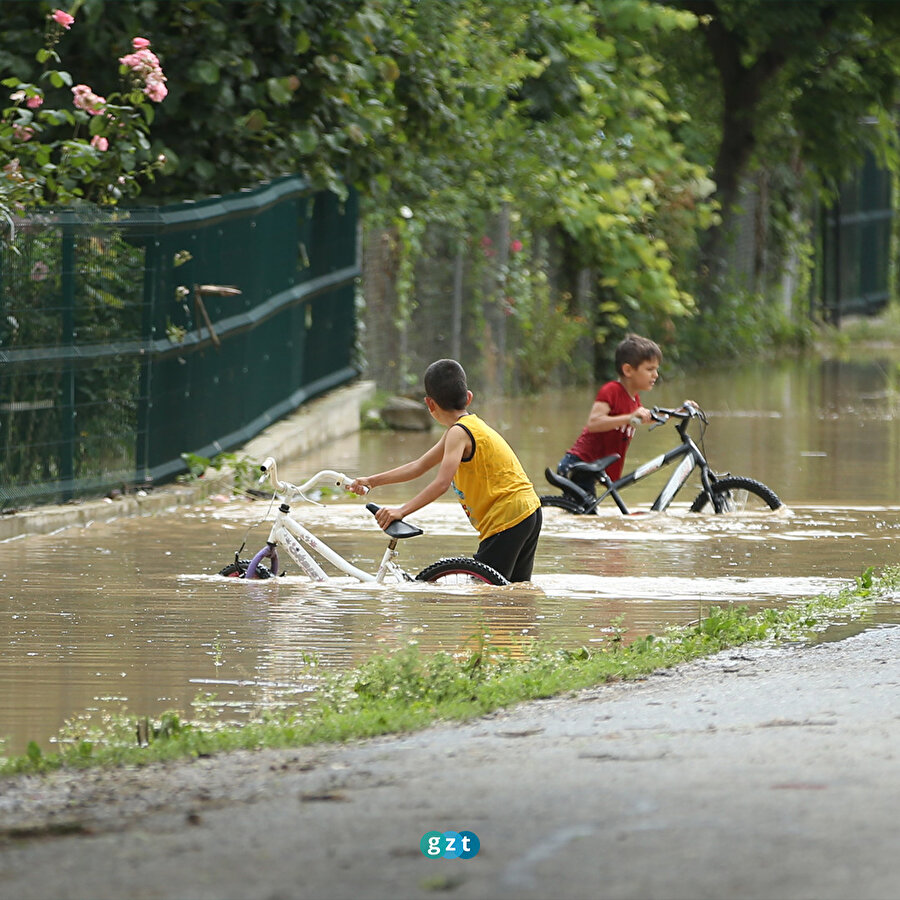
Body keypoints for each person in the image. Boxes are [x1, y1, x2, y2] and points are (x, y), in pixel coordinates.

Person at [350, 359, 542, 583]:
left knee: (485, 591)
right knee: (513, 591)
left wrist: (402, 511)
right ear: (468, 397)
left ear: (430, 404)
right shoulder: (468, 427)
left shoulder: (458, 433)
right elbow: (418, 466)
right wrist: (371, 481)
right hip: (529, 512)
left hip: (506, 518)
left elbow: (441, 483)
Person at [557, 334, 662, 498]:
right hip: (580, 464)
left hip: (594, 468)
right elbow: (594, 423)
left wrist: (679, 412)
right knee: (587, 519)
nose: (655, 375)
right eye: (650, 369)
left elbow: (645, 417)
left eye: (656, 369)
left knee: (588, 516)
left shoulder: (634, 399)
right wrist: (629, 417)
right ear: (628, 370)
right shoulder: (611, 390)